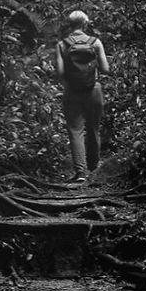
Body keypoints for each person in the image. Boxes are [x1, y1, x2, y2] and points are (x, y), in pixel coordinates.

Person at [55, 10, 110, 183]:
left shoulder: (62, 44)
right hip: (93, 90)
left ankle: (81, 172)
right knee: (93, 128)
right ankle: (94, 167)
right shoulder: (95, 42)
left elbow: (60, 72)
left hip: (72, 91)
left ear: (70, 25)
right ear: (85, 24)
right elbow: (105, 69)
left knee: (75, 130)